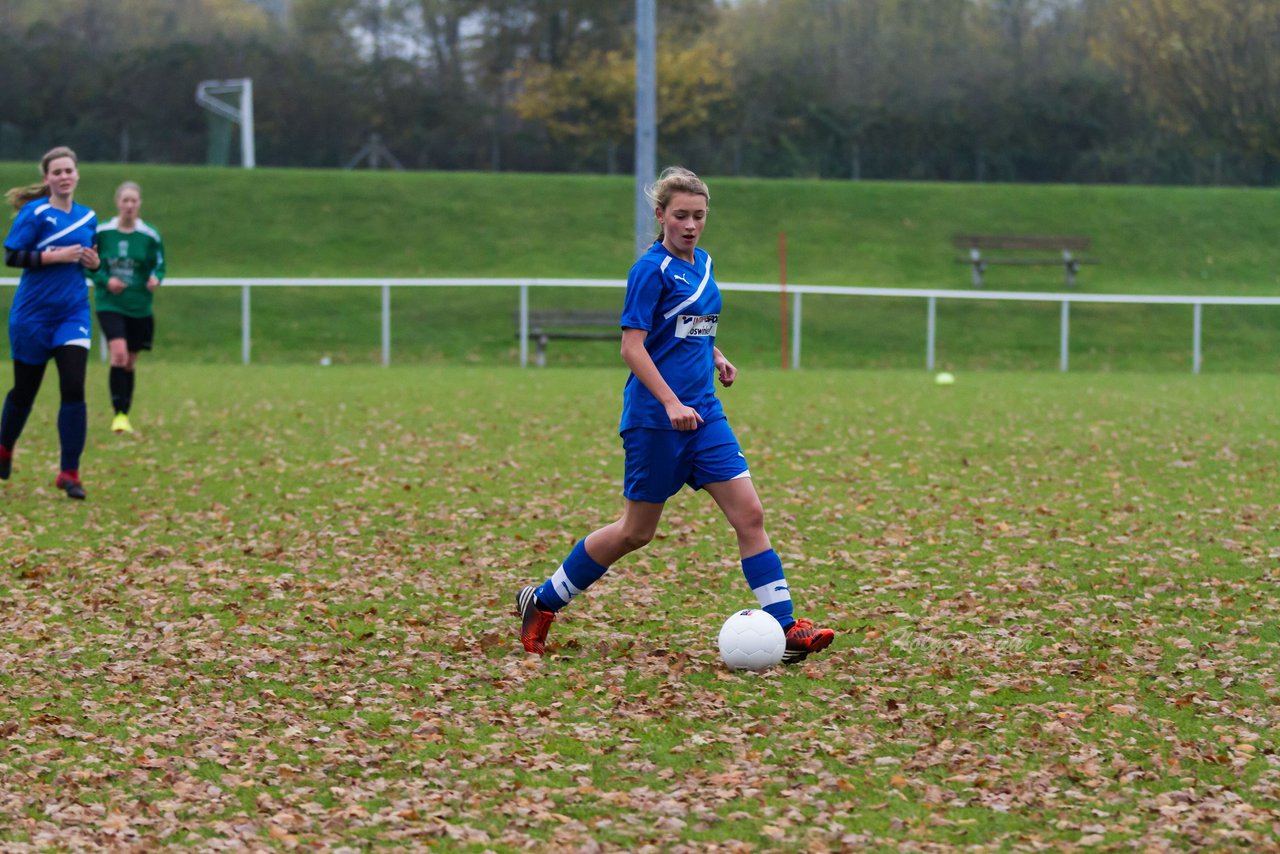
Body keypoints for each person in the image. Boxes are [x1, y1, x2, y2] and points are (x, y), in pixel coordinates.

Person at [516, 166, 836, 663]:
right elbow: (632, 347)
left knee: (750, 515)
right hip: (655, 420)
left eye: (699, 216)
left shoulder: (703, 262)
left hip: (705, 415)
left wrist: (716, 355)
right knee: (635, 532)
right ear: (661, 215)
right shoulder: (650, 270)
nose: (690, 225)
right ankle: (544, 600)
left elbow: (690, 328)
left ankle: (786, 627)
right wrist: (669, 401)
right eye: (681, 215)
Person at [0, 146, 100, 499]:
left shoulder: (89, 217)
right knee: (25, 391)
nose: (63, 176)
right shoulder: (34, 212)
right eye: (56, 172)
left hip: (72, 313)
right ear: (47, 178)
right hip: (32, 316)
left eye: (68, 170)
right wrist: (55, 256)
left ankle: (69, 472)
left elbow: (94, 257)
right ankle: (4, 448)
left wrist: (93, 263)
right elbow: (12, 255)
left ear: (76, 174)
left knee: (73, 387)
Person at [90, 181, 165, 434]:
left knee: (130, 363)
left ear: (139, 204)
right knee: (119, 354)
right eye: (125, 201)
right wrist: (105, 280)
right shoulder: (103, 232)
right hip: (109, 303)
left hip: (140, 306)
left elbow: (159, 265)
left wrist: (156, 278)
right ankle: (118, 415)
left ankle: (125, 412)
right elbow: (91, 264)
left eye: (134, 201)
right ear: (118, 203)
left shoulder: (150, 235)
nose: (130, 205)